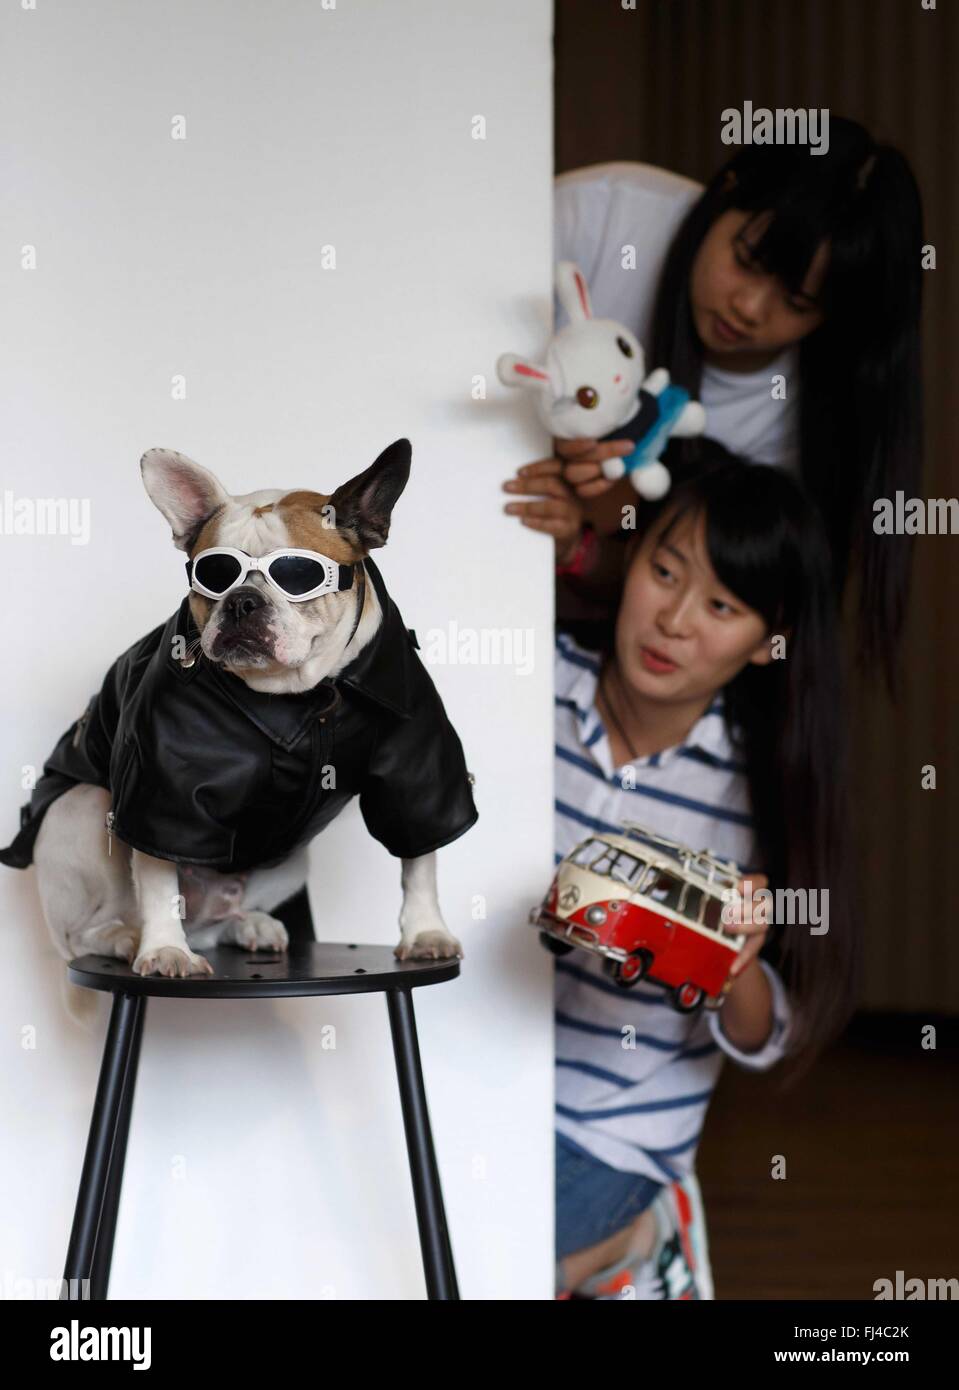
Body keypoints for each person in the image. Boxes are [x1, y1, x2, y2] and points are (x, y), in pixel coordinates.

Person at [504, 444, 860, 1299]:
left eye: (721, 605)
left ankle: (639, 1233)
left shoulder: (757, 791)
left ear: (768, 643)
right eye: (663, 572)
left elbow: (763, 1034)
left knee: (488, 1276)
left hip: (612, 1126)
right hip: (479, 1071)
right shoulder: (527, 683)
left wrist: (736, 962)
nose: (673, 621)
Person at [549, 117, 924, 689]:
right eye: (747, 260)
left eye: (797, 302)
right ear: (724, 195)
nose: (749, 308)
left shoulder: (798, 436)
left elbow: (693, 611)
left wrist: (582, 546)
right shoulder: (603, 218)